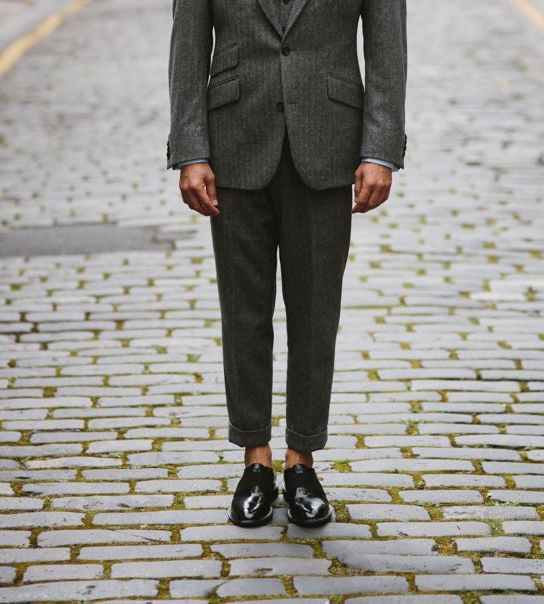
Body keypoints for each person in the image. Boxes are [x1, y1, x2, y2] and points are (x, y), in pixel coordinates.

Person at [167, 0, 407, 528]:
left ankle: (303, 462)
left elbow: (387, 48)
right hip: (232, 142)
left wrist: (381, 150)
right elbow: (187, 46)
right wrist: (190, 150)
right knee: (244, 313)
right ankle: (255, 460)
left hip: (328, 142)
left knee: (316, 315)